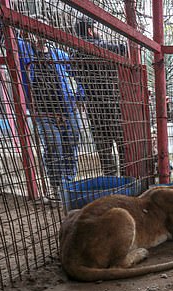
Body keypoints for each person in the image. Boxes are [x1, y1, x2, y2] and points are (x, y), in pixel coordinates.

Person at [0, 16, 83, 200]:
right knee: (54, 146)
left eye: (41, 28)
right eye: (33, 28)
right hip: (42, 112)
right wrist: (4, 16)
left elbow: (79, 73)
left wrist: (80, 95)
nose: (38, 33)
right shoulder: (21, 48)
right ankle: (58, 187)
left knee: (72, 143)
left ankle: (69, 183)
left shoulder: (59, 54)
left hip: (68, 109)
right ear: (25, 30)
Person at [73, 17, 127, 177]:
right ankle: (126, 179)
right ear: (90, 30)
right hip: (113, 104)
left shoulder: (75, 52)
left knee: (104, 150)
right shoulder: (104, 47)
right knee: (123, 147)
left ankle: (110, 182)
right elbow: (123, 48)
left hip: (93, 107)